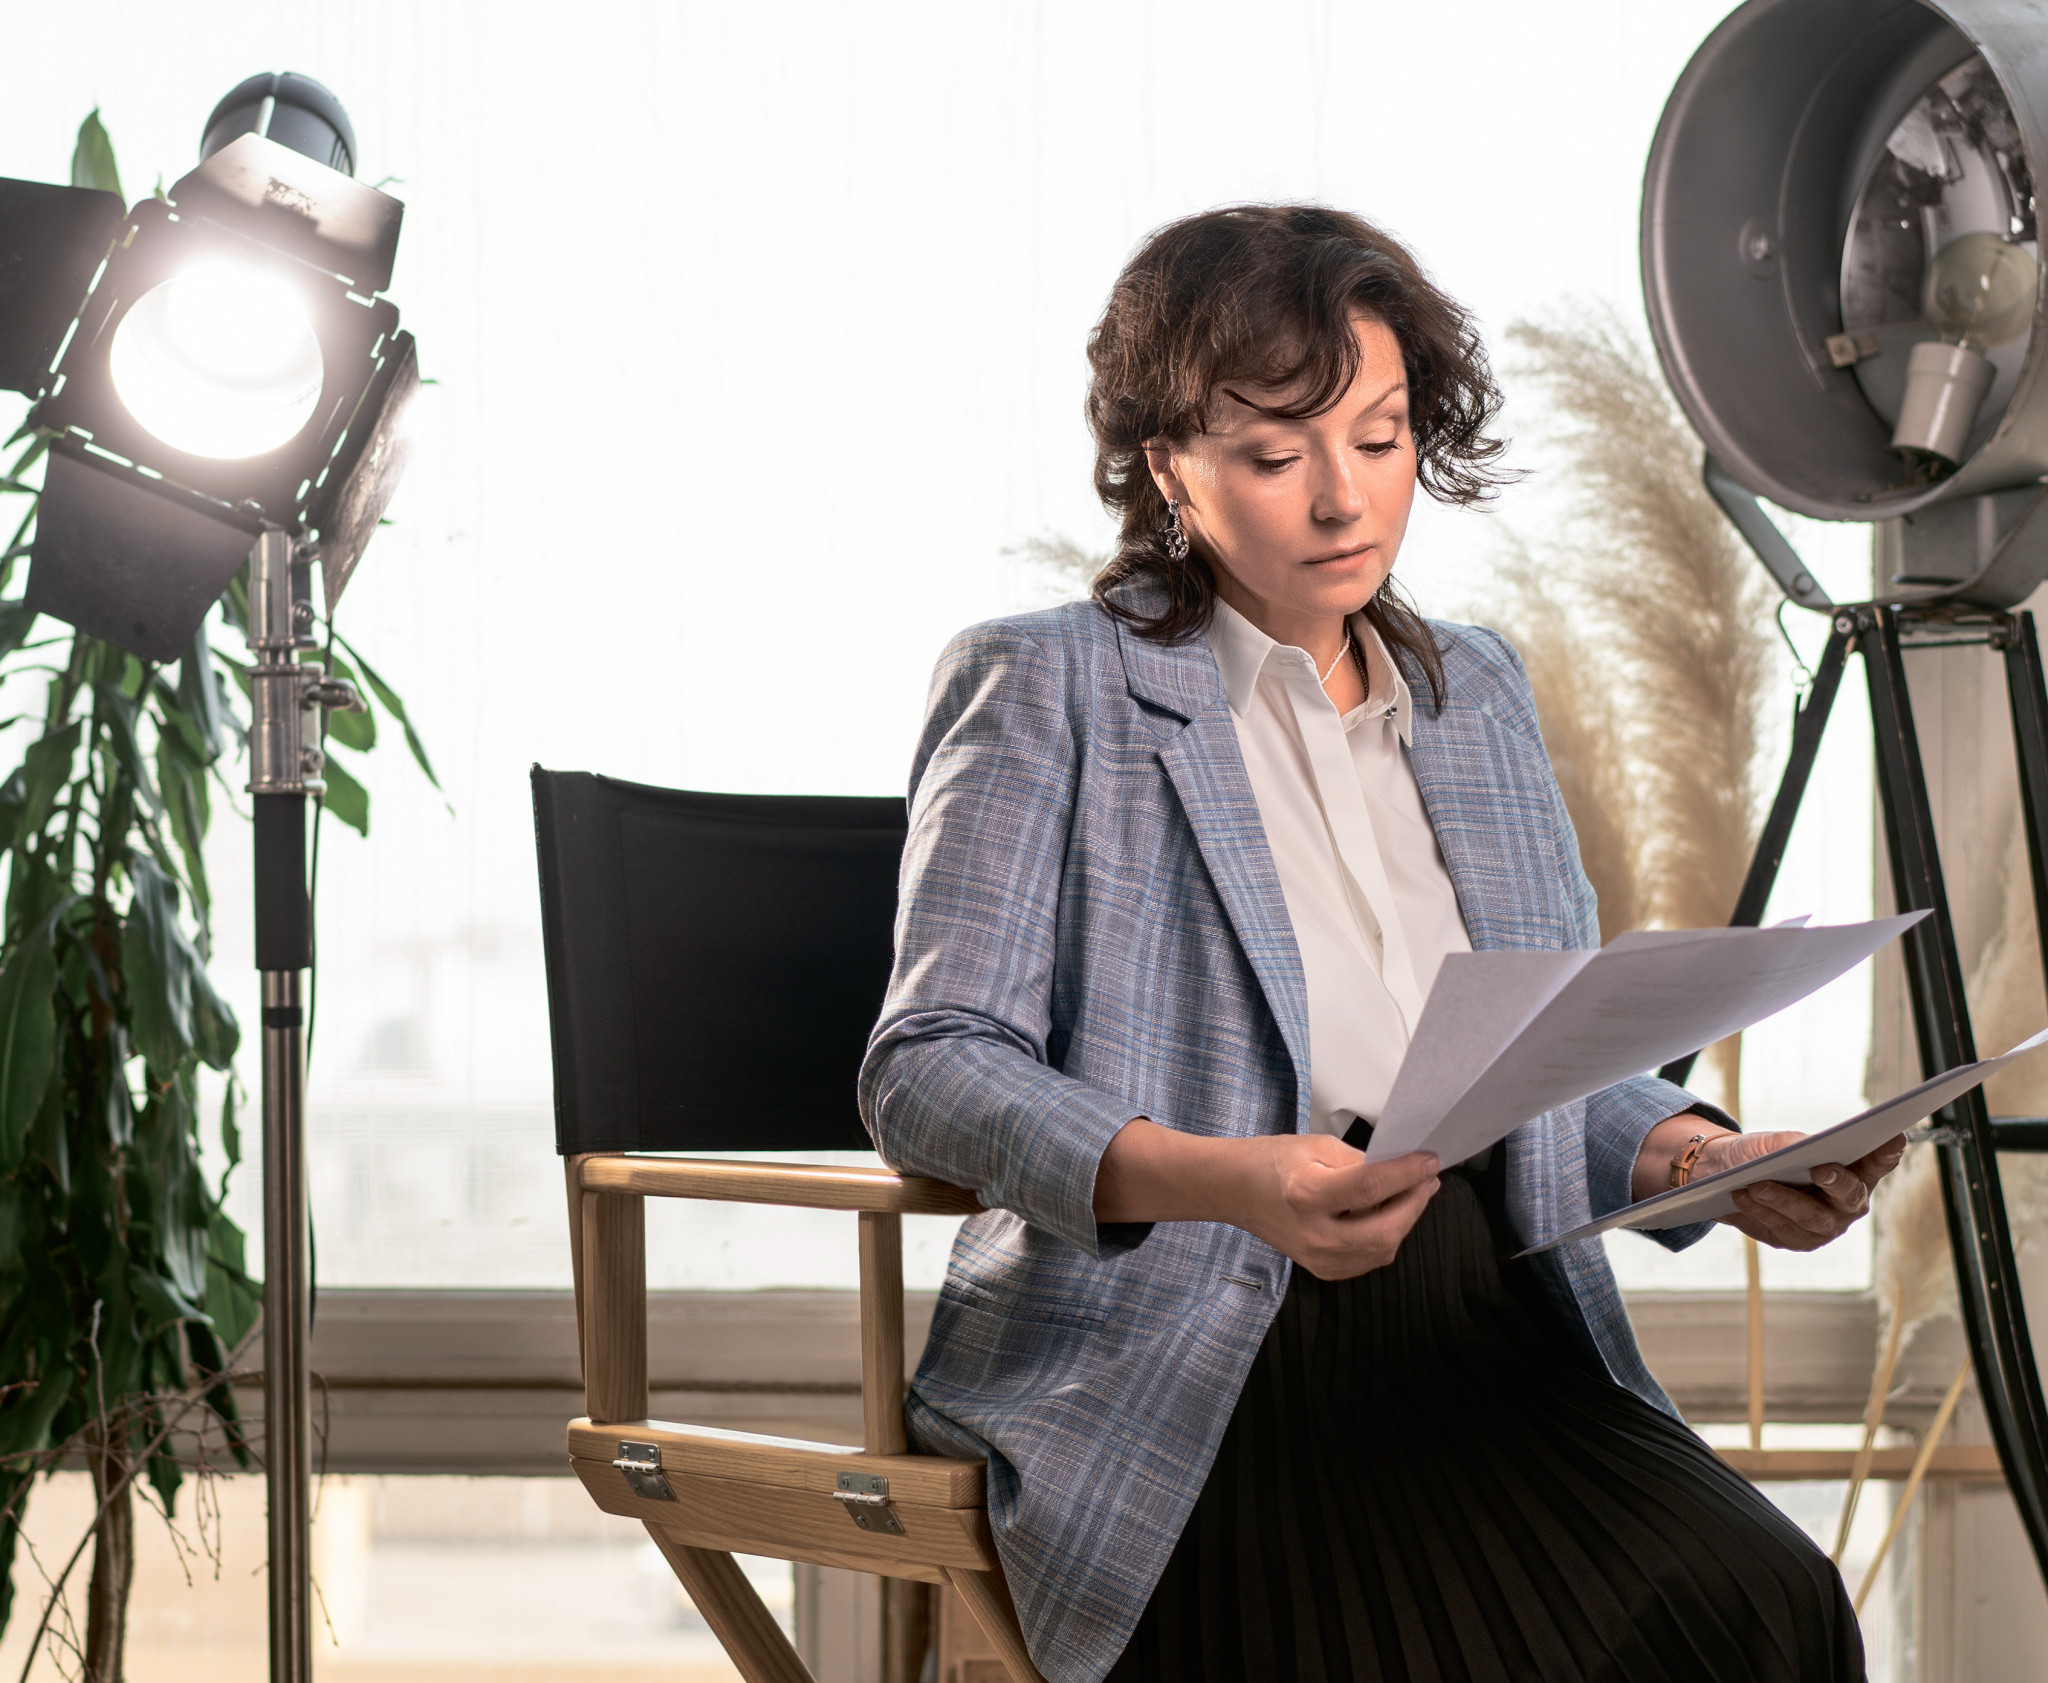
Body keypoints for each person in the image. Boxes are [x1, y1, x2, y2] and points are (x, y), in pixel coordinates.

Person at [859, 204, 1901, 1683]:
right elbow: (929, 1068)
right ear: (1163, 464)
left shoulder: (1475, 691)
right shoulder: (1047, 685)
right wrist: (1234, 1180)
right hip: (1195, 1353)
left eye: (1382, 436)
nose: (1344, 499)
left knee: (1769, 1612)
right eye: (1274, 457)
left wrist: (1706, 1164)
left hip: (1492, 1331)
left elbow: (1542, 1060)